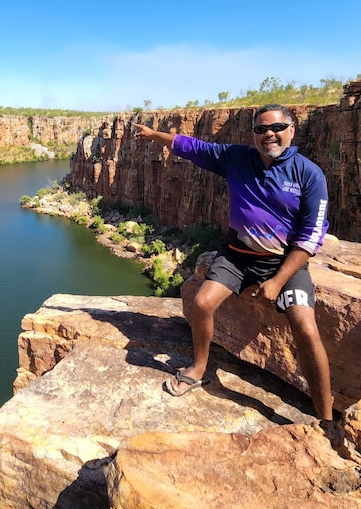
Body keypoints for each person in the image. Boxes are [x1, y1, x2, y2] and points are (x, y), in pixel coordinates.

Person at [133, 103, 333, 421]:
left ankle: (327, 418)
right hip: (238, 256)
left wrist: (278, 282)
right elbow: (191, 147)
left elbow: (311, 237)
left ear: (291, 131)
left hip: (283, 263)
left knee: (306, 330)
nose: (269, 134)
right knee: (200, 303)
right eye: (261, 129)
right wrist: (153, 134)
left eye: (277, 128)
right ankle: (198, 369)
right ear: (253, 133)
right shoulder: (236, 158)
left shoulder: (309, 175)